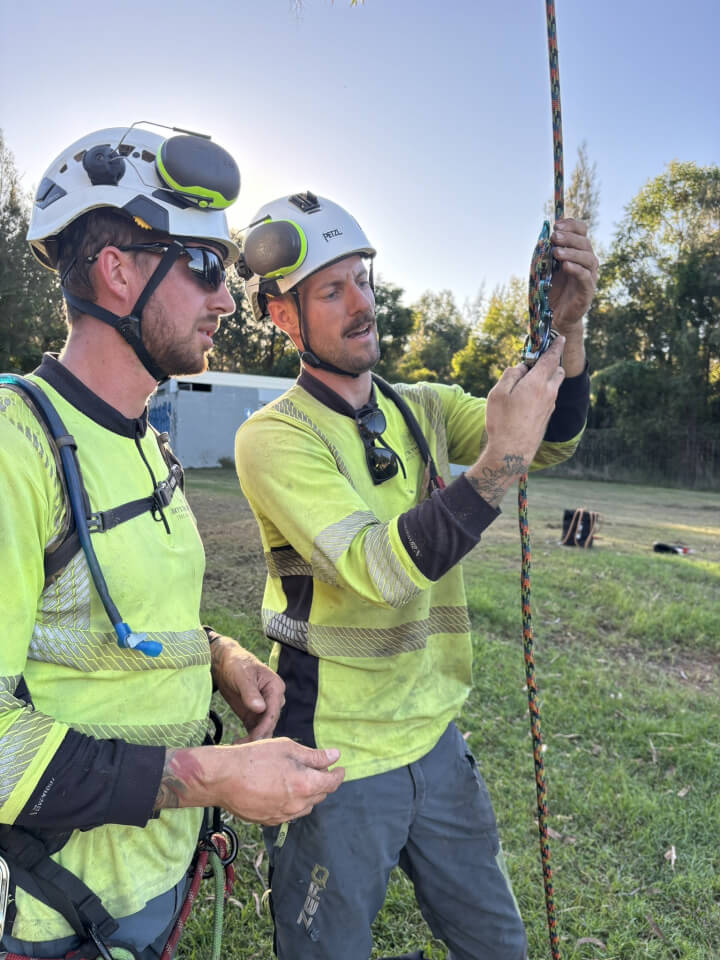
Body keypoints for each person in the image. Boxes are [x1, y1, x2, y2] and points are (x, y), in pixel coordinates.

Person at [0, 130, 344, 960]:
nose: (226, 299)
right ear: (119, 269)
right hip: (55, 917)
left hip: (153, 882)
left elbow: (117, 614)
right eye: (204, 266)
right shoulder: (18, 447)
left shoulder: (145, 437)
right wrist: (214, 777)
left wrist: (220, 656)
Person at [234, 191, 597, 960]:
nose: (362, 303)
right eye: (331, 291)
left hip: (434, 738)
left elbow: (552, 439)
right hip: (334, 756)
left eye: (362, 278)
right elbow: (380, 568)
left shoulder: (420, 408)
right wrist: (499, 463)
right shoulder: (273, 438)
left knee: (499, 946)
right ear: (280, 318)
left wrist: (565, 327)